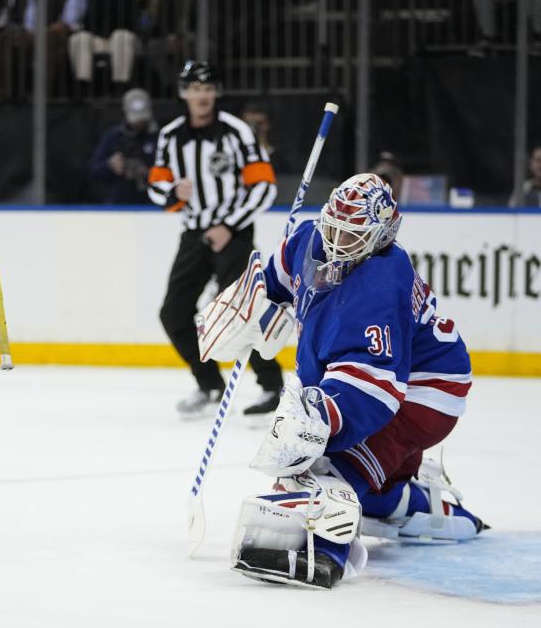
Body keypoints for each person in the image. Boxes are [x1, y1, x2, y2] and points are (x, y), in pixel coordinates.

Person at [198, 173, 486, 589]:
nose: (335, 241)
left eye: (350, 236)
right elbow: (276, 274)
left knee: (323, 465)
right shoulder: (311, 238)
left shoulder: (381, 283)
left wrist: (322, 417)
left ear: (382, 236)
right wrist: (254, 303)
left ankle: (320, 546)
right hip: (393, 381)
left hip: (423, 394)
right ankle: (410, 505)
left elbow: (373, 385)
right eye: (332, 225)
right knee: (355, 469)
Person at [147, 60, 283, 419]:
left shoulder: (237, 132)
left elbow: (264, 187)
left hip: (234, 236)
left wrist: (230, 225)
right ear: (183, 93)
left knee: (245, 312)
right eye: (194, 89)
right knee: (173, 312)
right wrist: (173, 190)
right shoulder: (171, 135)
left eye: (207, 89)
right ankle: (209, 384)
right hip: (194, 235)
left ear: (216, 92)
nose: (201, 96)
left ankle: (273, 387)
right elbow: (156, 185)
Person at [88, 88, 158, 205]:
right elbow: (93, 171)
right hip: (118, 205)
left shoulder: (160, 138)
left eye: (142, 118)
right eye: (136, 118)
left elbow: (173, 175)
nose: (138, 123)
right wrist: (110, 165)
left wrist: (148, 173)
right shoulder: (113, 137)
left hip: (151, 205)